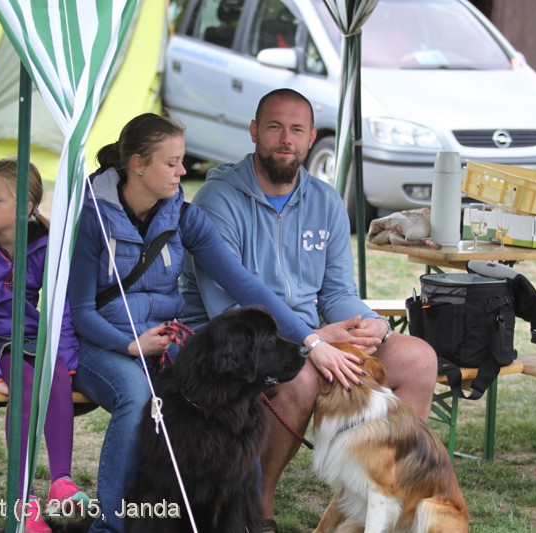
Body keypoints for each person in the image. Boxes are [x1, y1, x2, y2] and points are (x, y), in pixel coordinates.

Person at [67, 112, 368, 533]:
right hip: (100, 345)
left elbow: (246, 285)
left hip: (163, 337)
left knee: (235, 387)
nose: (182, 172)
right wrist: (132, 346)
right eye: (171, 163)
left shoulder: (182, 215)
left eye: (181, 160)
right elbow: (80, 311)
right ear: (138, 165)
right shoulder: (92, 218)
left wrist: (310, 340)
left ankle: (244, 519)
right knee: (137, 397)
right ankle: (110, 527)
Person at [180, 88, 438, 531]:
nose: (286, 139)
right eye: (275, 127)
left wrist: (370, 323)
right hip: (234, 341)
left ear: (312, 137)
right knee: (299, 378)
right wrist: (312, 339)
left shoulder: (325, 200)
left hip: (312, 334)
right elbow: (228, 310)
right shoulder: (218, 200)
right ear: (254, 131)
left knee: (419, 359)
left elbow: (336, 292)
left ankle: (372, 494)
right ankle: (258, 510)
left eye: (297, 130)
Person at [0, 158, 88, 533]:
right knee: (24, 382)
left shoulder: (46, 245)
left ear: (25, 207)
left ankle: (61, 482)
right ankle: (22, 503)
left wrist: (66, 360)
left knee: (55, 373)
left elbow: (60, 308)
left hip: (25, 336)